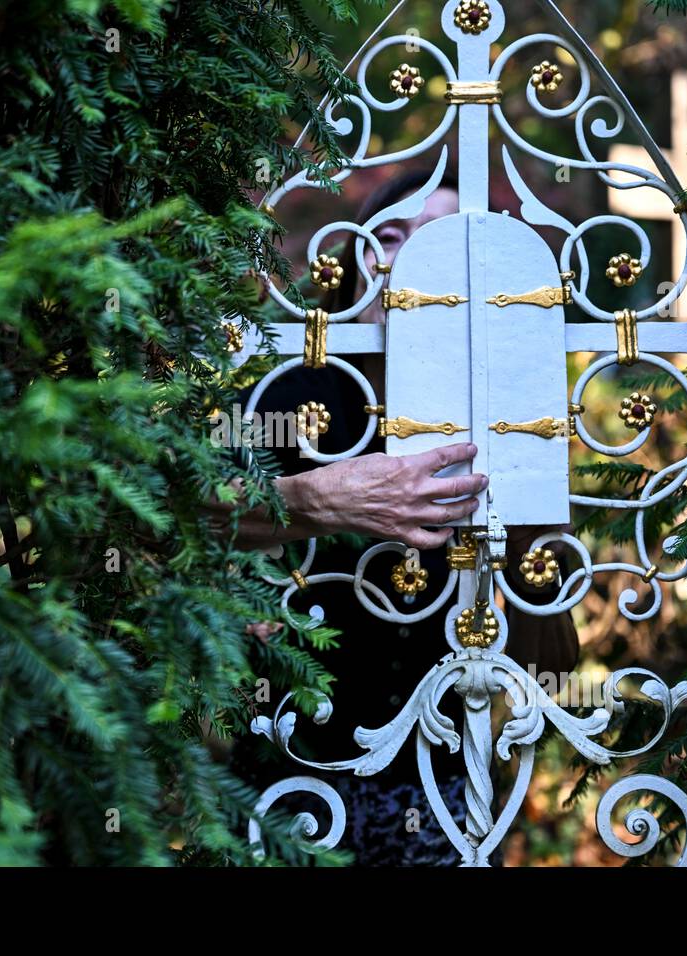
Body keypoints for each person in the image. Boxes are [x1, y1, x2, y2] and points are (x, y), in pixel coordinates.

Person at [211, 169, 578, 865]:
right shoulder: (286, 387)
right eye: (387, 236)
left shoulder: (512, 416)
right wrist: (318, 501)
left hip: (439, 788)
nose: (411, 260)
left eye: (441, 241)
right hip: (287, 767)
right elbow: (186, 511)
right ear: (350, 270)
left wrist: (527, 523)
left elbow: (552, 666)